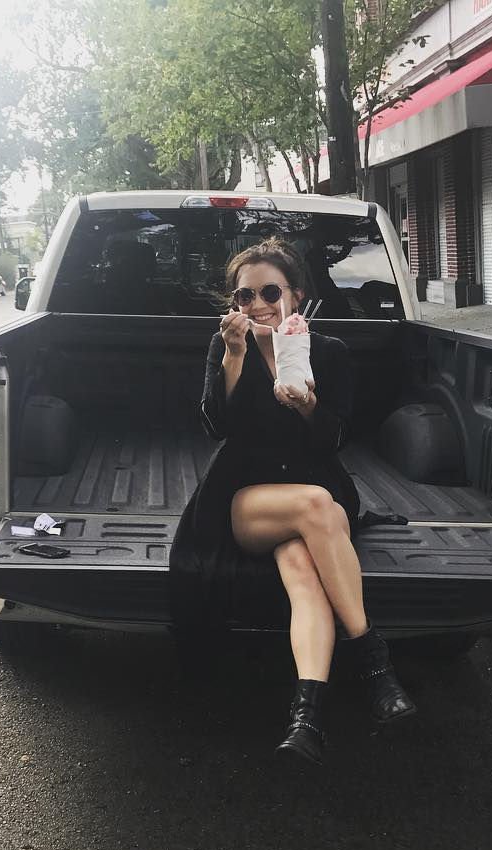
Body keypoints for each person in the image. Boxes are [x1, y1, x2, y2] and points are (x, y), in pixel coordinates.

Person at [169, 238, 416, 767]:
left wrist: (308, 406)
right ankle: (373, 659)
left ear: (296, 295)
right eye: (244, 295)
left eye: (269, 292)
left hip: (313, 482)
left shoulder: (327, 352)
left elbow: (333, 439)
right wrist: (234, 356)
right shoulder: (226, 346)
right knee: (317, 508)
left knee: (305, 572)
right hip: (247, 497)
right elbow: (216, 426)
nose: (257, 304)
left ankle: (307, 719)